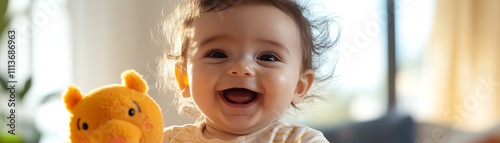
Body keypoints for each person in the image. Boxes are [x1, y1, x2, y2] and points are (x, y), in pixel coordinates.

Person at [159, 0, 339, 142]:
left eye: (267, 57)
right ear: (184, 79)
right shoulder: (162, 139)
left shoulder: (300, 140)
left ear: (299, 86)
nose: (241, 68)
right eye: (217, 54)